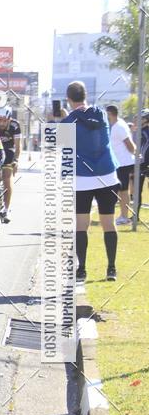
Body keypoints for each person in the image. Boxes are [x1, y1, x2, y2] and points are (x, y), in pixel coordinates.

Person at [60, 81, 119, 282]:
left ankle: (82, 270)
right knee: (109, 223)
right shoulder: (102, 114)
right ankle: (111, 269)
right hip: (107, 175)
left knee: (81, 225)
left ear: (69, 99)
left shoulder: (68, 121)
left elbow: (59, 148)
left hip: (82, 178)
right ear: (85, 95)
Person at [0, 105, 21, 222]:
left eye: (4, 121)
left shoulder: (15, 125)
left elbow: (18, 146)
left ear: (9, 119)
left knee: (7, 178)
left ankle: (6, 210)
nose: (1, 123)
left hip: (9, 150)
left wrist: (16, 161)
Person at [106, 104, 136, 224]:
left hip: (123, 163)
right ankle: (122, 215)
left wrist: (134, 154)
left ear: (110, 114)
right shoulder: (116, 125)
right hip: (119, 163)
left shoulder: (118, 126)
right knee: (119, 190)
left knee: (123, 191)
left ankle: (124, 216)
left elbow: (129, 144)